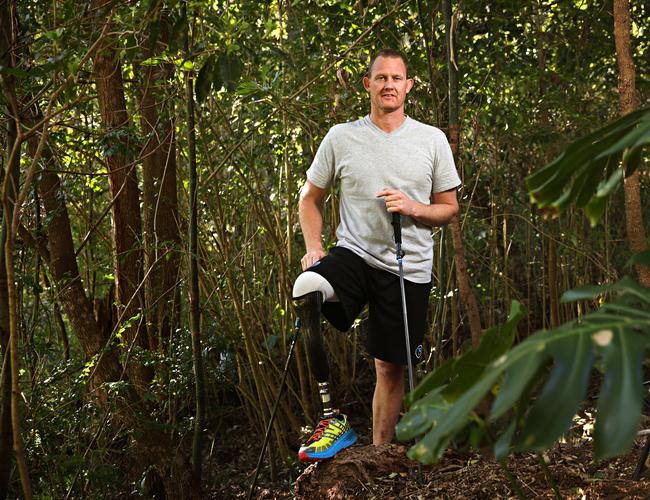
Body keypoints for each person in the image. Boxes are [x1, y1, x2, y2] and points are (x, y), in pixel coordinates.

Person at [292, 48, 461, 462]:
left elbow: (449, 208)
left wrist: (412, 207)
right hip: (354, 254)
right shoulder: (341, 136)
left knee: (390, 367)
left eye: (397, 78)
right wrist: (314, 248)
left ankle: (379, 453)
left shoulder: (431, 139)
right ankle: (333, 418)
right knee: (307, 286)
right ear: (367, 85)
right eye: (381, 77)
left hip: (409, 267)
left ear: (409, 86)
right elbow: (309, 198)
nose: (389, 84)